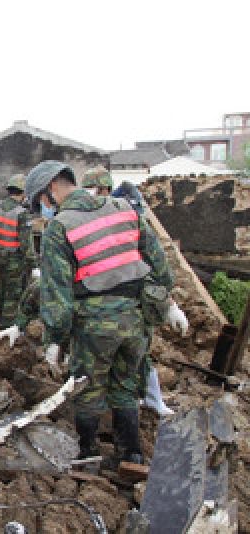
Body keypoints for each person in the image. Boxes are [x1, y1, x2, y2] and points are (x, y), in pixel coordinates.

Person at [24, 160, 176, 465]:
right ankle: (131, 454)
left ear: (53, 187)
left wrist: (54, 338)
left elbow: (57, 294)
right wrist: (162, 305)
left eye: (41, 199)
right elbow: (161, 268)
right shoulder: (124, 207)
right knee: (126, 387)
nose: (43, 207)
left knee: (88, 391)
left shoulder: (60, 226)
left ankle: (87, 455)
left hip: (94, 327)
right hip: (135, 322)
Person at [83, 166, 187, 416]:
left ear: (105, 189)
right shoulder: (85, 220)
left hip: (133, 300)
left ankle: (148, 400)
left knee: (137, 354)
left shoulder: (126, 215)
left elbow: (155, 268)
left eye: (95, 190)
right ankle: (127, 403)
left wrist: (170, 305)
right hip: (101, 304)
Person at [0, 174, 38, 329]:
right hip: (14, 259)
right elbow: (26, 243)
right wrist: (33, 265)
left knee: (3, 289)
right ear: (23, 192)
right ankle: (7, 327)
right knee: (13, 295)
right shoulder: (21, 213)